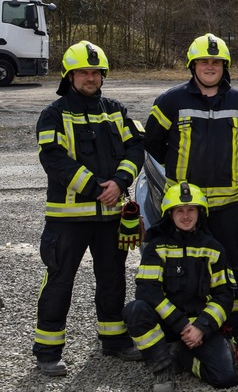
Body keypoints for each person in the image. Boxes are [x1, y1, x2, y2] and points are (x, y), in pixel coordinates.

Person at [143, 34, 238, 351]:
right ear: (193, 65)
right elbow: (153, 143)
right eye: (204, 61)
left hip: (229, 205)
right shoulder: (170, 101)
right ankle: (182, 326)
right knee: (184, 266)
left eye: (216, 62)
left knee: (234, 266)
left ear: (225, 66)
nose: (210, 67)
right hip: (186, 207)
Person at [33, 41, 144, 376]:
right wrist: (98, 188)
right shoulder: (53, 114)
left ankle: (113, 340)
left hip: (110, 217)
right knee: (59, 281)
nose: (90, 77)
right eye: (83, 71)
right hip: (67, 220)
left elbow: (136, 147)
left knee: (112, 279)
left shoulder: (114, 109)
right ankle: (48, 351)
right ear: (70, 76)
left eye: (96, 72)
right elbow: (53, 160)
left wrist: (120, 182)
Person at [123, 182, 238, 392]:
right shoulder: (157, 247)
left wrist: (202, 328)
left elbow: (224, 296)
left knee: (225, 378)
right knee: (135, 310)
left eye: (191, 210)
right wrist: (182, 325)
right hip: (167, 325)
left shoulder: (213, 248)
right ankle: (163, 368)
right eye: (180, 211)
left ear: (199, 213)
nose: (186, 216)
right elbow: (147, 291)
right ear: (170, 214)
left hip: (200, 326)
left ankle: (183, 356)